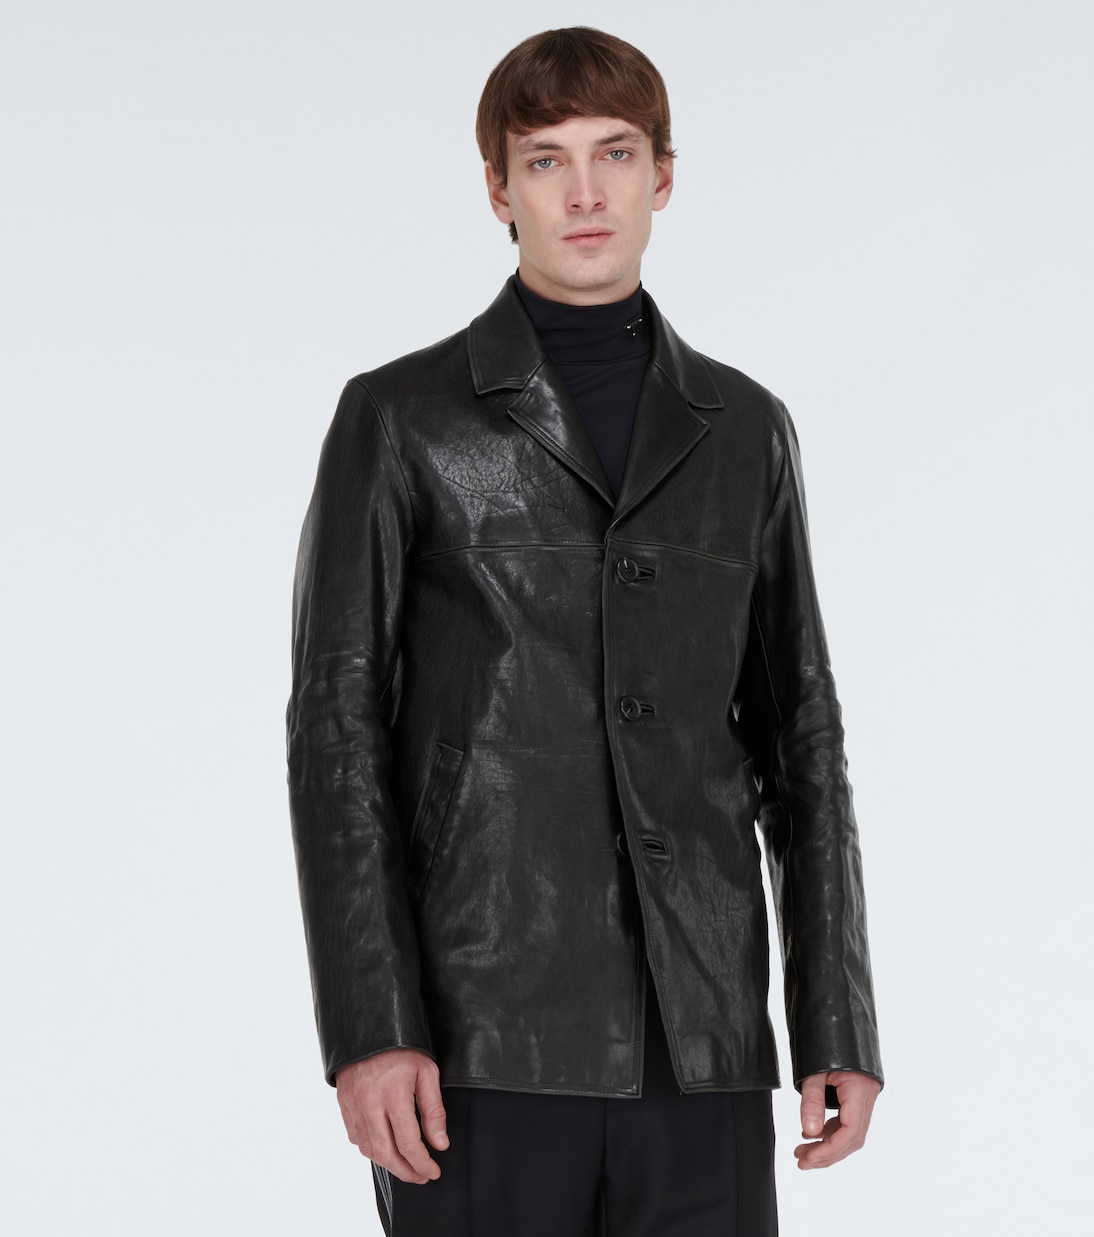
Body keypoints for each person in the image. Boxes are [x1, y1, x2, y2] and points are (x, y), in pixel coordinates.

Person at [287, 26, 883, 1237]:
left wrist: (834, 1018)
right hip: (478, 1034)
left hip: (703, 1040)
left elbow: (800, 737)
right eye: (545, 159)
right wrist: (371, 1027)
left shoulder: (745, 428)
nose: (584, 191)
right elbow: (335, 734)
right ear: (497, 190)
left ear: (663, 174)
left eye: (613, 153)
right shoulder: (398, 419)